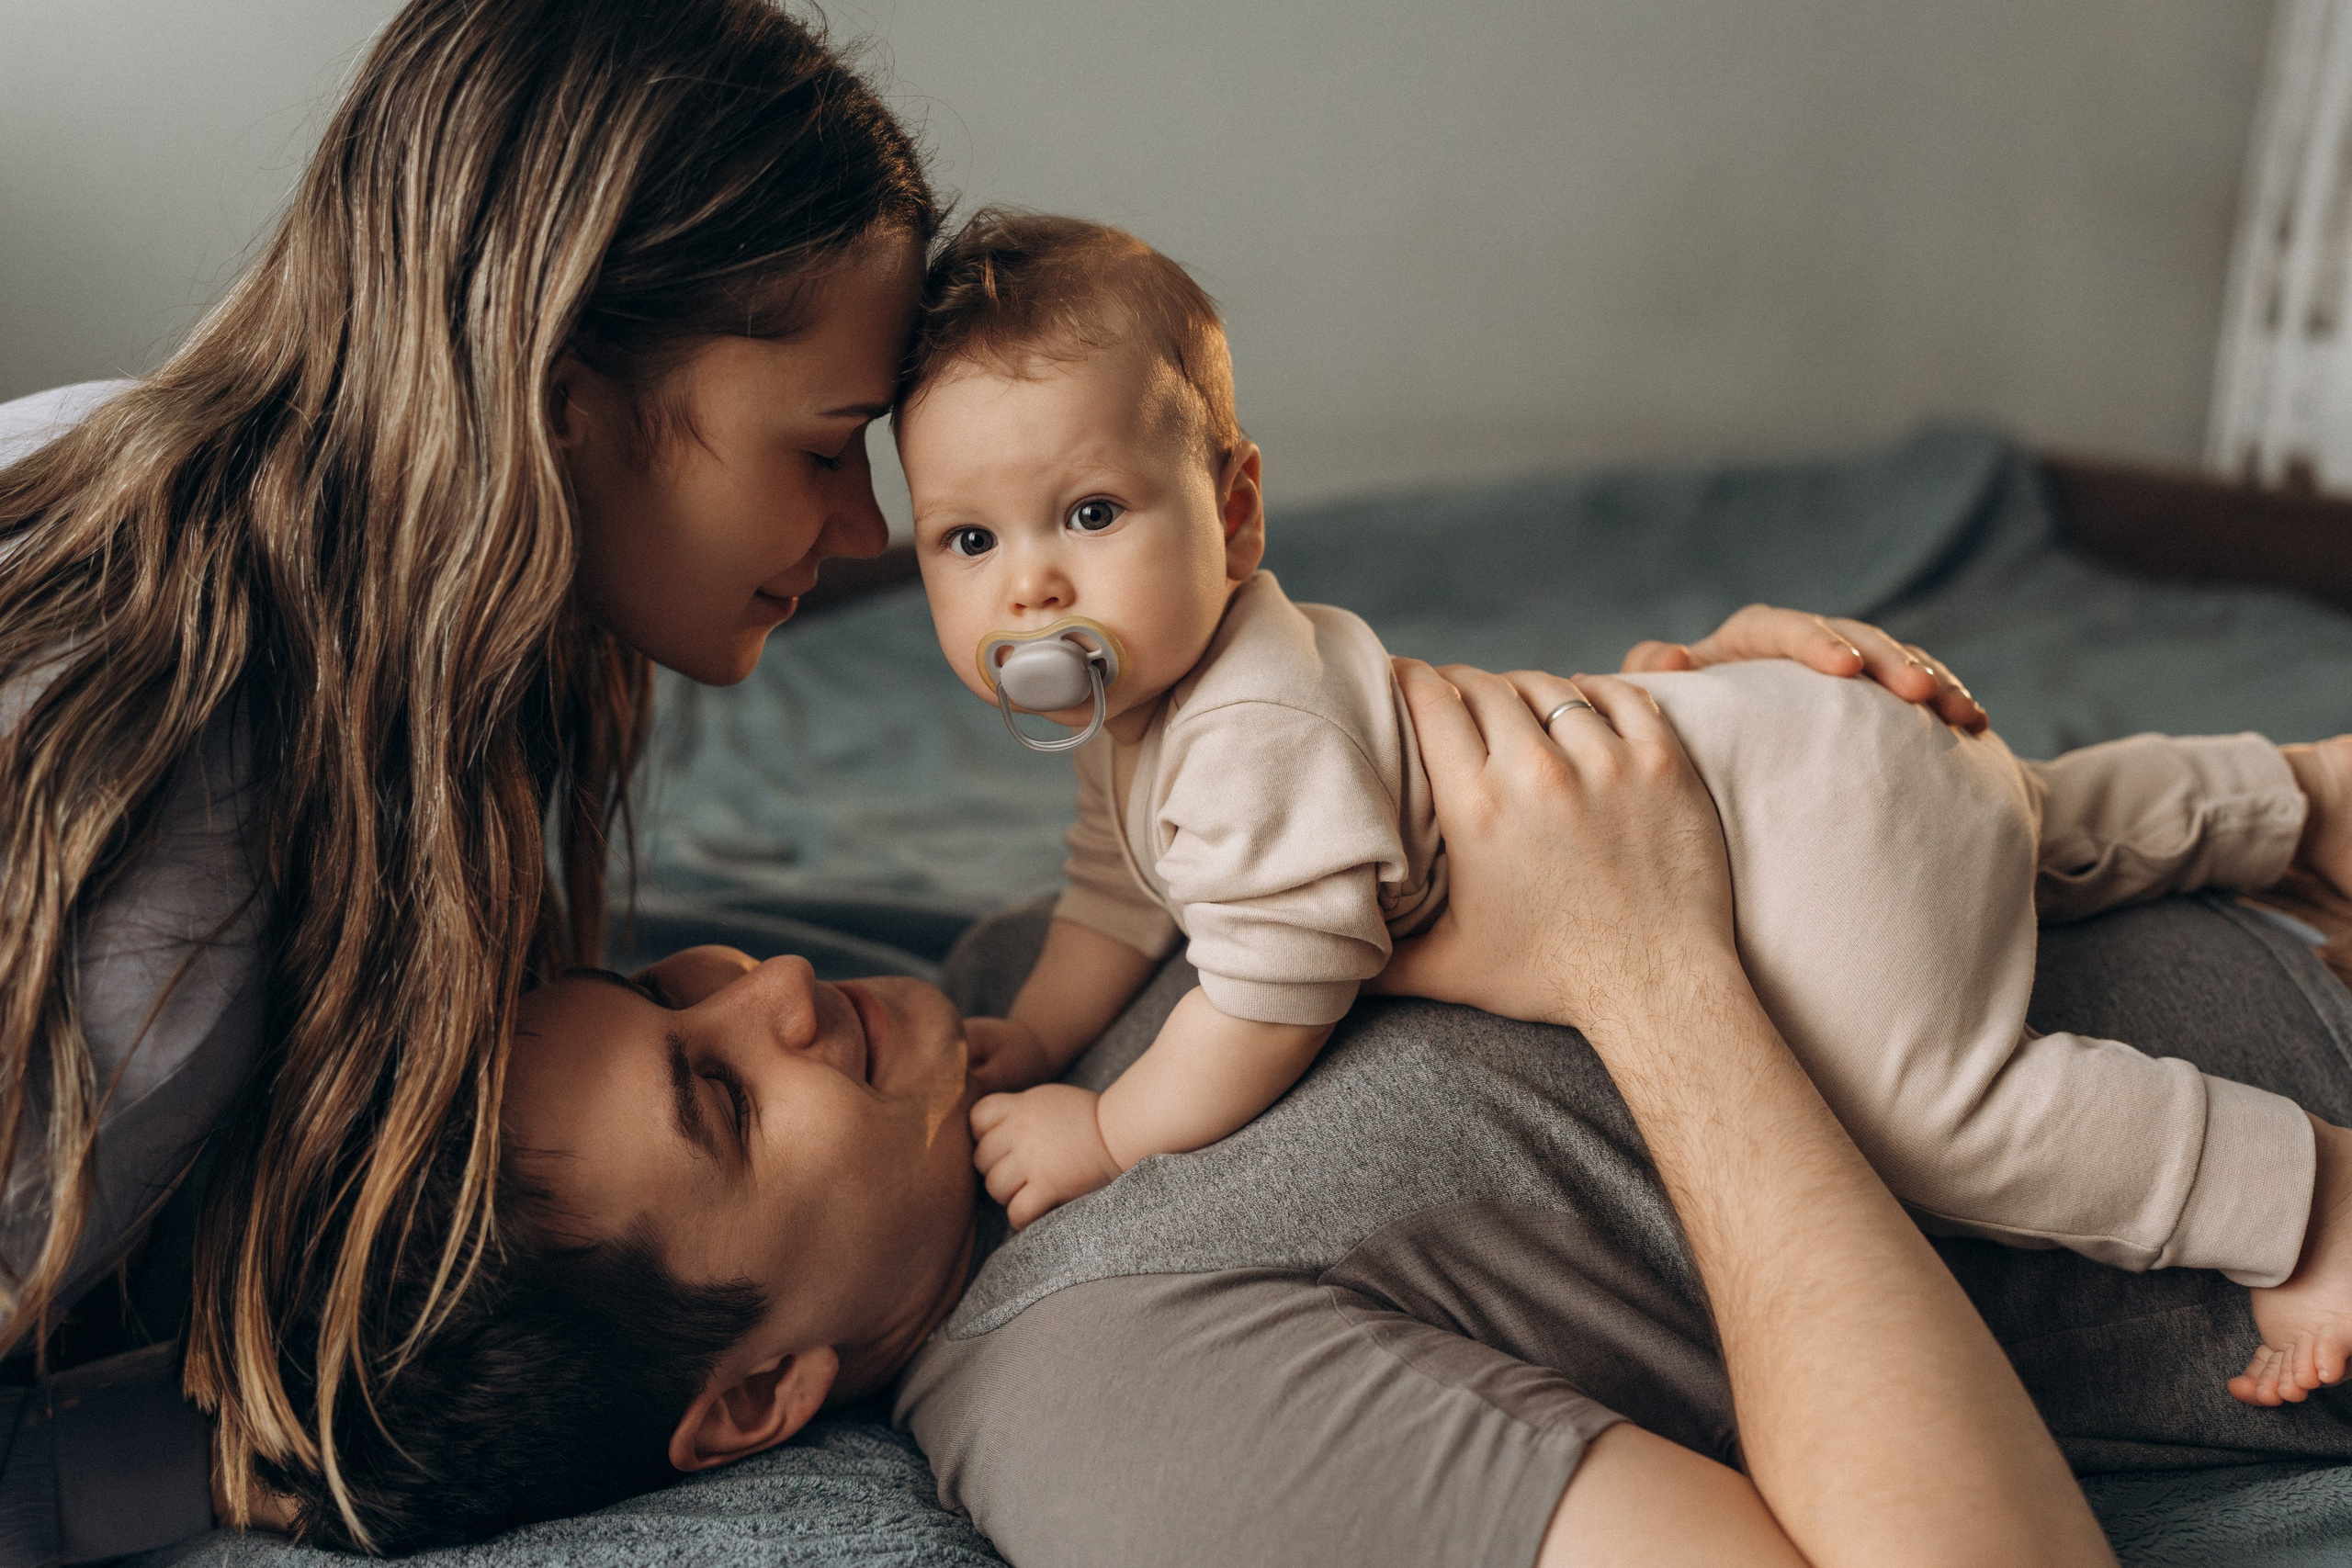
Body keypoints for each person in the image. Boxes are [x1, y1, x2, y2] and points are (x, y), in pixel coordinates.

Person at [316, 659, 2352, 1564]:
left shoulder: (1044, 979)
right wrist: (1650, 970)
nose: (761, 986)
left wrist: (1707, 724)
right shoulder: (1109, 1409)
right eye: (716, 1093)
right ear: (752, 1398)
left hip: (2233, 848)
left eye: (671, 981)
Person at [891, 211, 2352, 1397]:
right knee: (2012, 826)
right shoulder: (1134, 721)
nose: (1033, 585)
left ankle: (2300, 1205)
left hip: (1781, 832)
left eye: (1092, 514)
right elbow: (1113, 885)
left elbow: (1275, 988)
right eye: (969, 538)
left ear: (1236, 511)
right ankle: (2288, 799)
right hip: (1781, 755)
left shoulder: (1249, 732)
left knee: (1930, 1121)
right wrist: (1044, 1027)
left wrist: (1107, 1129)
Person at [0, 0, 935, 1557]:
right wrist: (215, 1453)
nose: (862, 533)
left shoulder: (120, 454)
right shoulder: (163, 845)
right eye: (826, 447)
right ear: (567, 403)